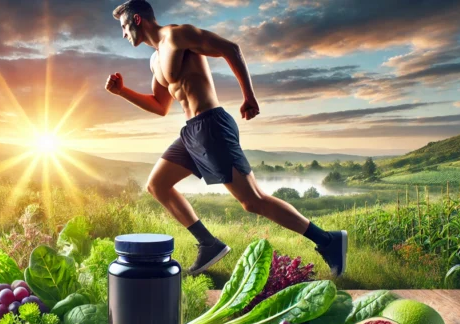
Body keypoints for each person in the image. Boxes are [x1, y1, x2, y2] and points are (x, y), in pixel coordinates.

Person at [105, 0, 347, 276]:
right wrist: (123, 92)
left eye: (124, 27)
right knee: (157, 185)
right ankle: (208, 243)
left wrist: (249, 96)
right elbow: (160, 106)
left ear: (137, 20)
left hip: (211, 126)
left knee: (253, 201)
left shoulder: (177, 35)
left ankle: (328, 240)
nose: (123, 34)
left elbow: (230, 48)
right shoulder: (155, 59)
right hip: (192, 132)